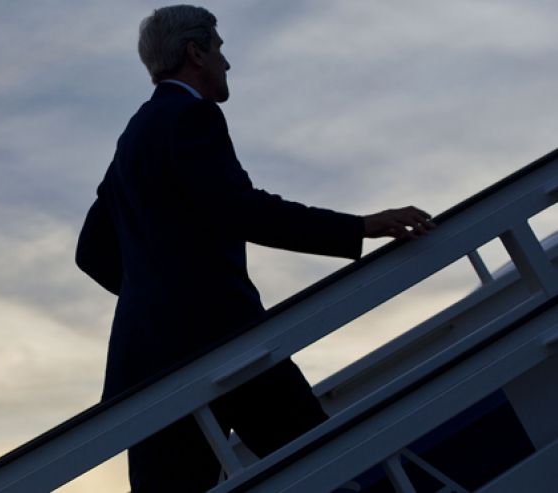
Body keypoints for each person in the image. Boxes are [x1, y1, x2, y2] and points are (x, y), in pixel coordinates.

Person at [75, 5, 434, 491]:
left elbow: (92, 251)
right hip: (223, 339)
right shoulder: (192, 117)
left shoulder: (134, 136)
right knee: (323, 465)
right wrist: (361, 227)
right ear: (195, 53)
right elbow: (245, 211)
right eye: (220, 48)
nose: (227, 62)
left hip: (151, 364)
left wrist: (157, 299)